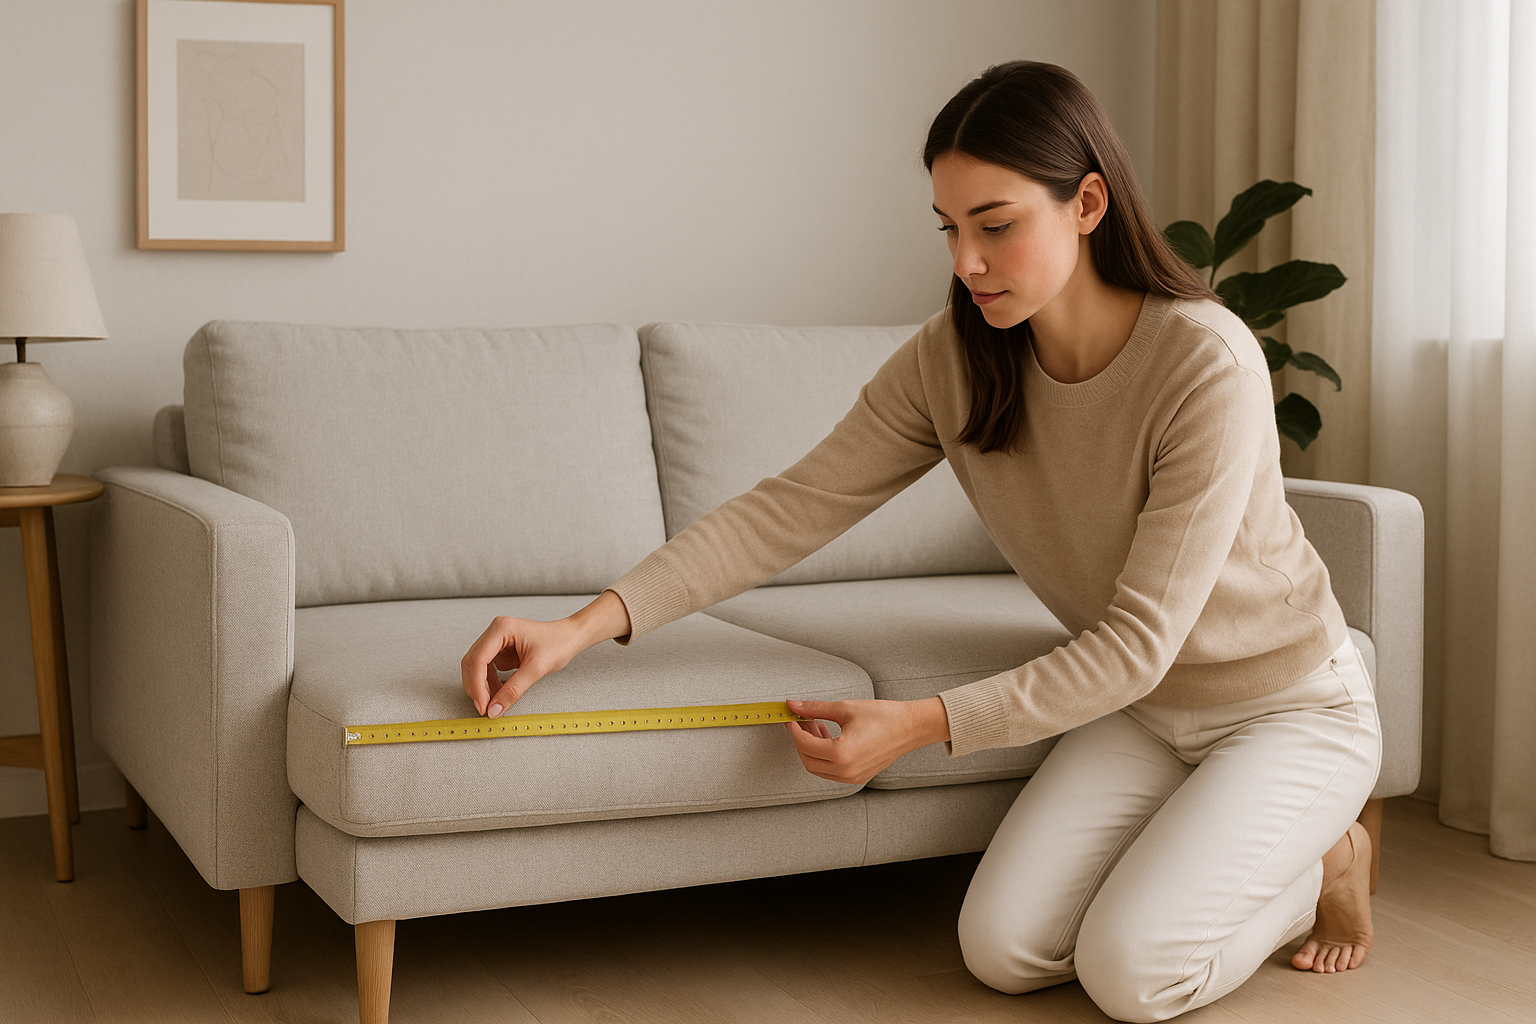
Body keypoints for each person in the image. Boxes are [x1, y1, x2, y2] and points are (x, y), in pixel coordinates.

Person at [459, 60, 1380, 1023]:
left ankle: (1328, 860)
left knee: (1132, 977)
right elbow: (793, 505)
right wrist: (586, 626)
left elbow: (1136, 645)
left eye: (996, 225)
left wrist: (920, 723)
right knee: (1005, 951)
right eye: (950, 228)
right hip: (1148, 717)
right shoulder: (956, 357)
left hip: (1286, 708)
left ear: (1088, 203)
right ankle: (1267, 853)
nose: (965, 262)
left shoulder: (1205, 361)